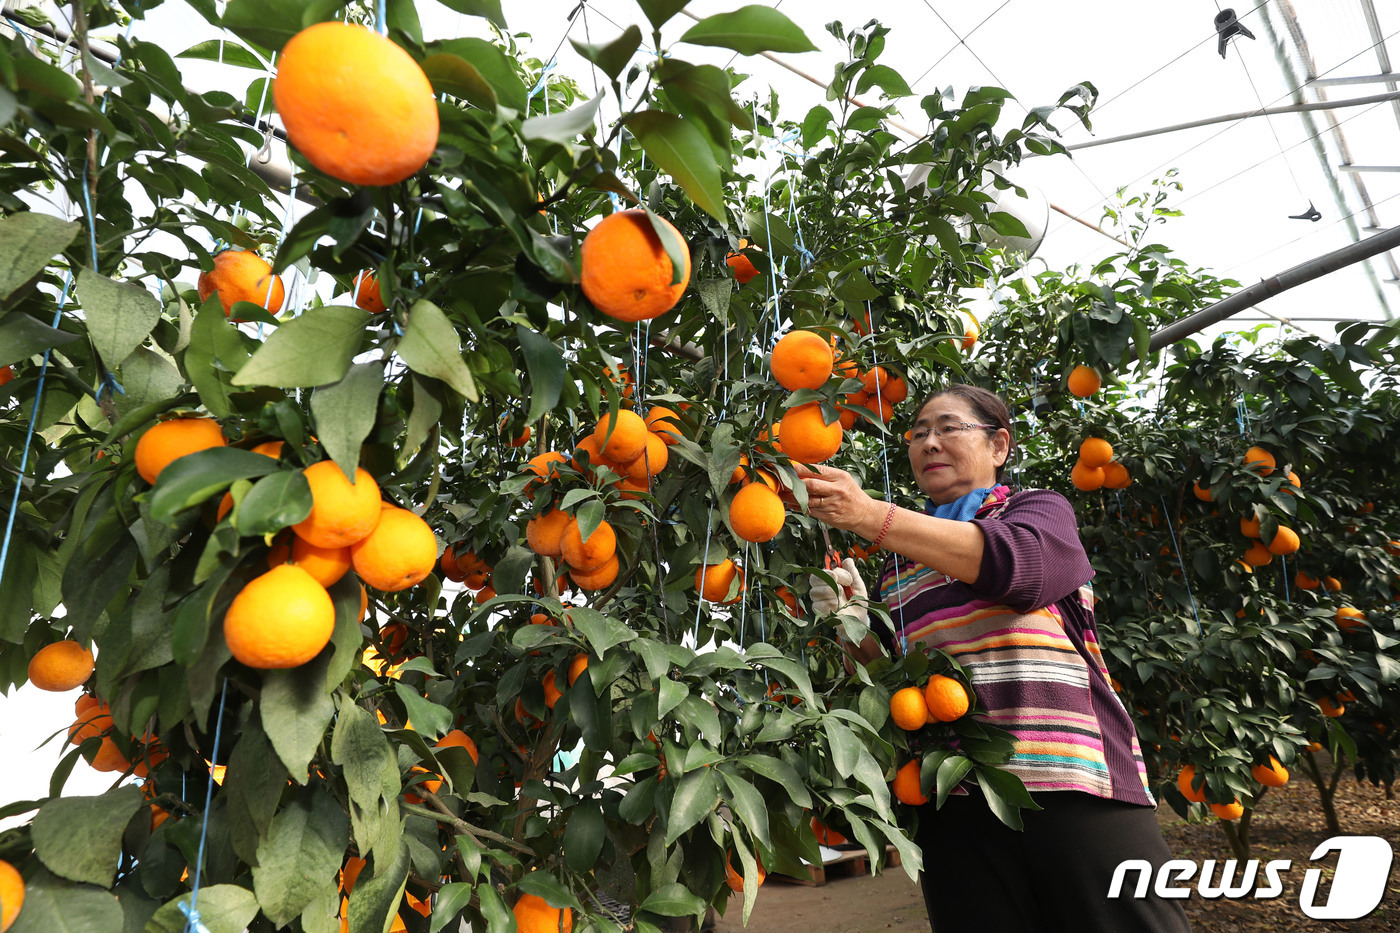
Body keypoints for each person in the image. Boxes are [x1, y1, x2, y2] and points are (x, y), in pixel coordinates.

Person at [802, 383, 1191, 933]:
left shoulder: (1035, 511)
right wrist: (851, 623)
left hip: (1072, 783)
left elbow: (1022, 572)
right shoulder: (899, 565)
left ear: (999, 446)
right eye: (917, 434)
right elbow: (888, 687)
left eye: (947, 428)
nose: (928, 443)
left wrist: (870, 515)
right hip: (952, 801)